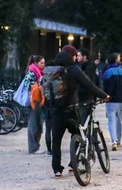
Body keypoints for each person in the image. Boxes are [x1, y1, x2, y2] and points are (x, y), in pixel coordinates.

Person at [45, 45, 108, 177]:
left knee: (56, 139)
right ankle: (73, 164)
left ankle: (57, 169)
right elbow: (89, 84)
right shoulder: (74, 69)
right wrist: (104, 96)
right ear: (72, 56)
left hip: (55, 109)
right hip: (71, 108)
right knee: (78, 135)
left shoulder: (52, 69)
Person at [101, 53, 122, 150]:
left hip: (111, 101)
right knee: (119, 120)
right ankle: (118, 140)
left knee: (111, 120)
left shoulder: (107, 72)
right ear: (116, 60)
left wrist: (104, 97)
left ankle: (113, 140)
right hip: (121, 101)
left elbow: (105, 87)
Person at [23, 55, 46, 154]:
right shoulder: (31, 72)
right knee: (34, 124)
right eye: (41, 63)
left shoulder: (38, 72)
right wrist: (39, 83)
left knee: (38, 123)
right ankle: (33, 147)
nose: (43, 65)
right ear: (36, 63)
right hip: (34, 101)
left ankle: (36, 145)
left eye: (44, 63)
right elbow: (29, 86)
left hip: (38, 100)